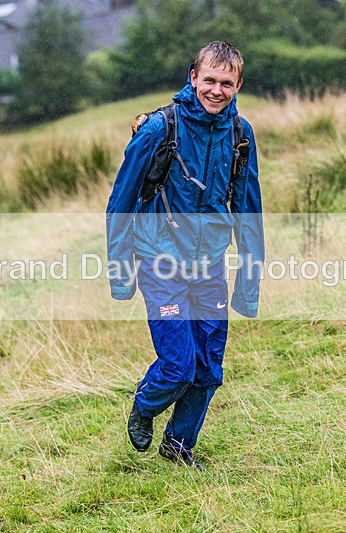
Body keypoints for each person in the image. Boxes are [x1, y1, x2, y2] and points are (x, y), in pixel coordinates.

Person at [105, 41, 264, 469]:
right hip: (160, 262)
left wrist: (248, 286)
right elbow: (120, 205)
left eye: (226, 83)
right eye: (209, 80)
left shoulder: (240, 135)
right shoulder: (159, 128)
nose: (216, 90)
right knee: (179, 365)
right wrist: (121, 275)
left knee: (209, 368)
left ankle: (178, 446)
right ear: (193, 77)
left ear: (238, 85)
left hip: (209, 265)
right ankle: (144, 405)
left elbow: (248, 211)